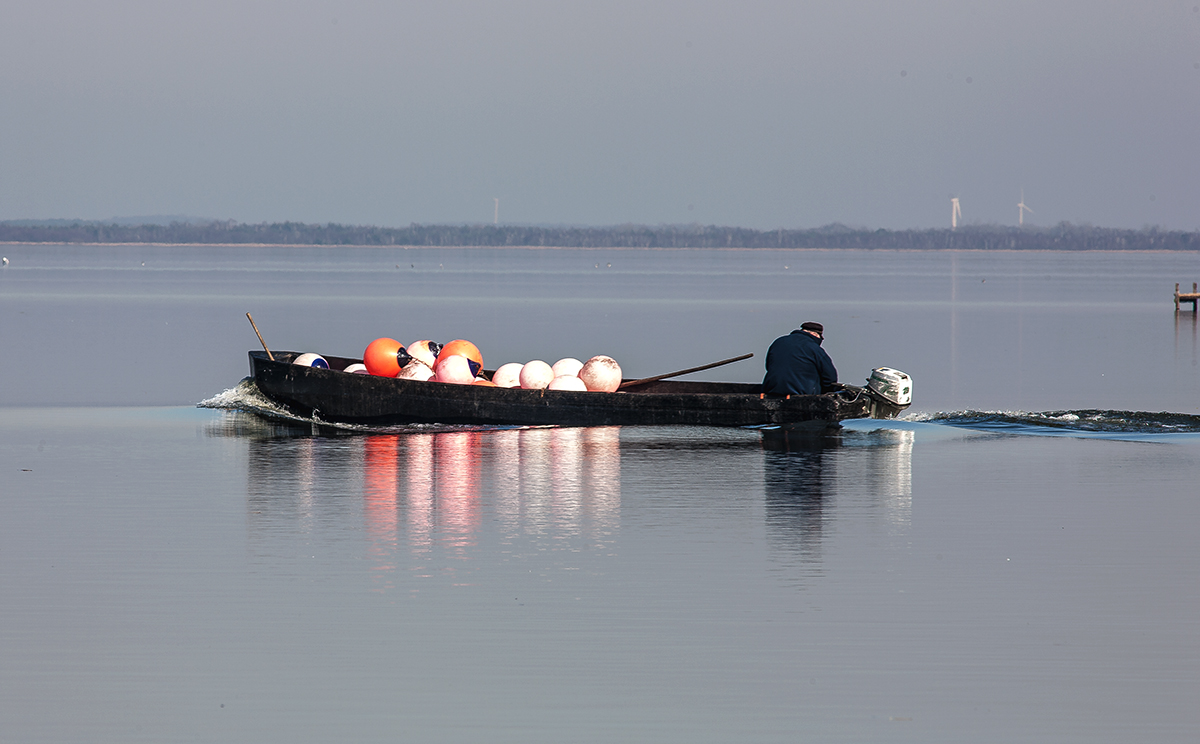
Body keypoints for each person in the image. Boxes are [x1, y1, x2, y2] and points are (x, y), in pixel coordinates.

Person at [762, 321, 838, 396]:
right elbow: (830, 377)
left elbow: (769, 366)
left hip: (771, 390)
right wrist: (827, 391)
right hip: (802, 394)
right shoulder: (814, 348)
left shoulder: (778, 342)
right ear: (815, 335)